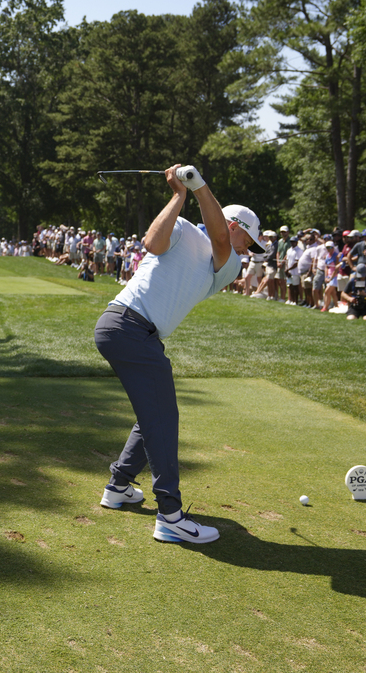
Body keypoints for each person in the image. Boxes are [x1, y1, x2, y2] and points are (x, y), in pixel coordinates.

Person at [94, 164, 264, 545]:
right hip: (125, 325)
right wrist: (178, 195)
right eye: (248, 242)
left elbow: (221, 239)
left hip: (137, 334)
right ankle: (169, 514)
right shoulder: (184, 229)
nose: (247, 252)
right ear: (236, 225)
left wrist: (199, 185)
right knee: (163, 419)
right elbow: (152, 243)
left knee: (154, 414)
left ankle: (119, 485)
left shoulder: (228, 264)